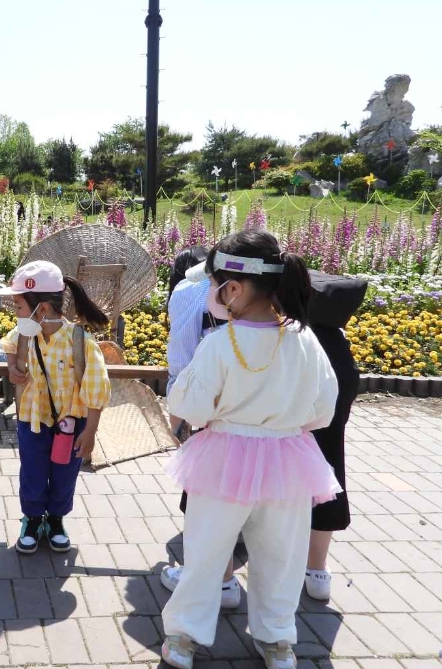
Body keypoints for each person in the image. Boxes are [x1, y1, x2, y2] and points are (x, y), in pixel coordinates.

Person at [160, 229, 339, 669]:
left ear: (233, 289)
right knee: (282, 554)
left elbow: (192, 406)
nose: (212, 295)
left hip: (222, 459)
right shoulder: (304, 339)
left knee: (204, 550)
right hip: (288, 461)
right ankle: (277, 640)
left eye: (215, 285)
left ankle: (184, 638)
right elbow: (324, 407)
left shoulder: (220, 343)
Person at [0, 261, 111, 554]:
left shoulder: (80, 341)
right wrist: (12, 368)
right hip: (31, 420)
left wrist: (91, 432)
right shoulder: (25, 333)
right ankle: (33, 520)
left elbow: (96, 388)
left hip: (70, 425)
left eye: (19, 307)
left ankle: (57, 519)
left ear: (42, 308)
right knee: (33, 472)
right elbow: (10, 348)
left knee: (64, 474)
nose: (16, 314)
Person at [161, 245, 241, 609]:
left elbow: (181, 362)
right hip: (278, 442)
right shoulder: (288, 329)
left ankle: (214, 580)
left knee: (209, 495)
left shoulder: (188, 296)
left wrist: (177, 414)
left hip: (212, 419)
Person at [304, 271, 367, 601]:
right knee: (329, 487)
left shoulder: (301, 343)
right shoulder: (339, 347)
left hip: (293, 441)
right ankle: (317, 570)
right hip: (330, 439)